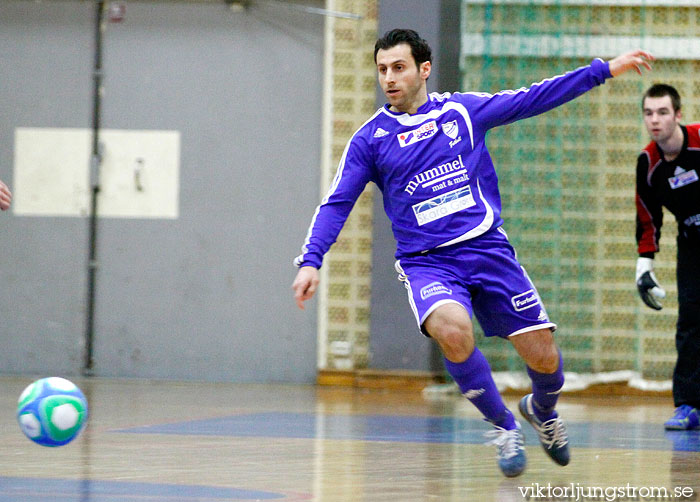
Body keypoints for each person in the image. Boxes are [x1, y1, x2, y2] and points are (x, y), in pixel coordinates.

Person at [292, 28, 653, 477]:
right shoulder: (370, 139)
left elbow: (533, 98)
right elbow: (337, 201)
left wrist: (602, 71)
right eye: (382, 69)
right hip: (428, 263)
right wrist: (312, 259)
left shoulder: (461, 112)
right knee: (454, 329)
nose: (389, 77)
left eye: (399, 67)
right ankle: (503, 426)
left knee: (544, 357)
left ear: (424, 70)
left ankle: (542, 409)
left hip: (487, 249)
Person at [635, 83, 700, 431]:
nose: (655, 120)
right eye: (649, 113)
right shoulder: (648, 163)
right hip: (692, 244)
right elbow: (648, 217)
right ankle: (688, 404)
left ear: (678, 115)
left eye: (662, 112)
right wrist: (645, 264)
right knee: (690, 322)